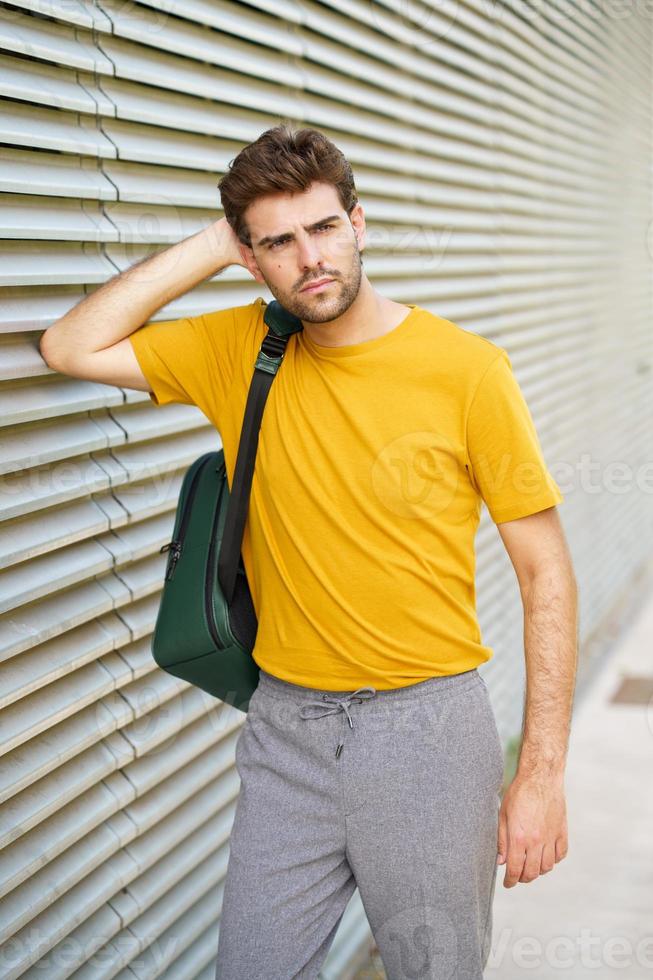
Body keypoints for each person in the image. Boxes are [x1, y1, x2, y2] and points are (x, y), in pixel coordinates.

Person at [40, 124, 578, 979]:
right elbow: (70, 346)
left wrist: (541, 772)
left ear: (358, 223)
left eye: (324, 227)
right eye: (278, 242)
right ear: (252, 261)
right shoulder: (237, 351)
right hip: (286, 727)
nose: (309, 257)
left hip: (426, 730)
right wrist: (216, 241)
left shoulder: (466, 370)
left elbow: (544, 572)